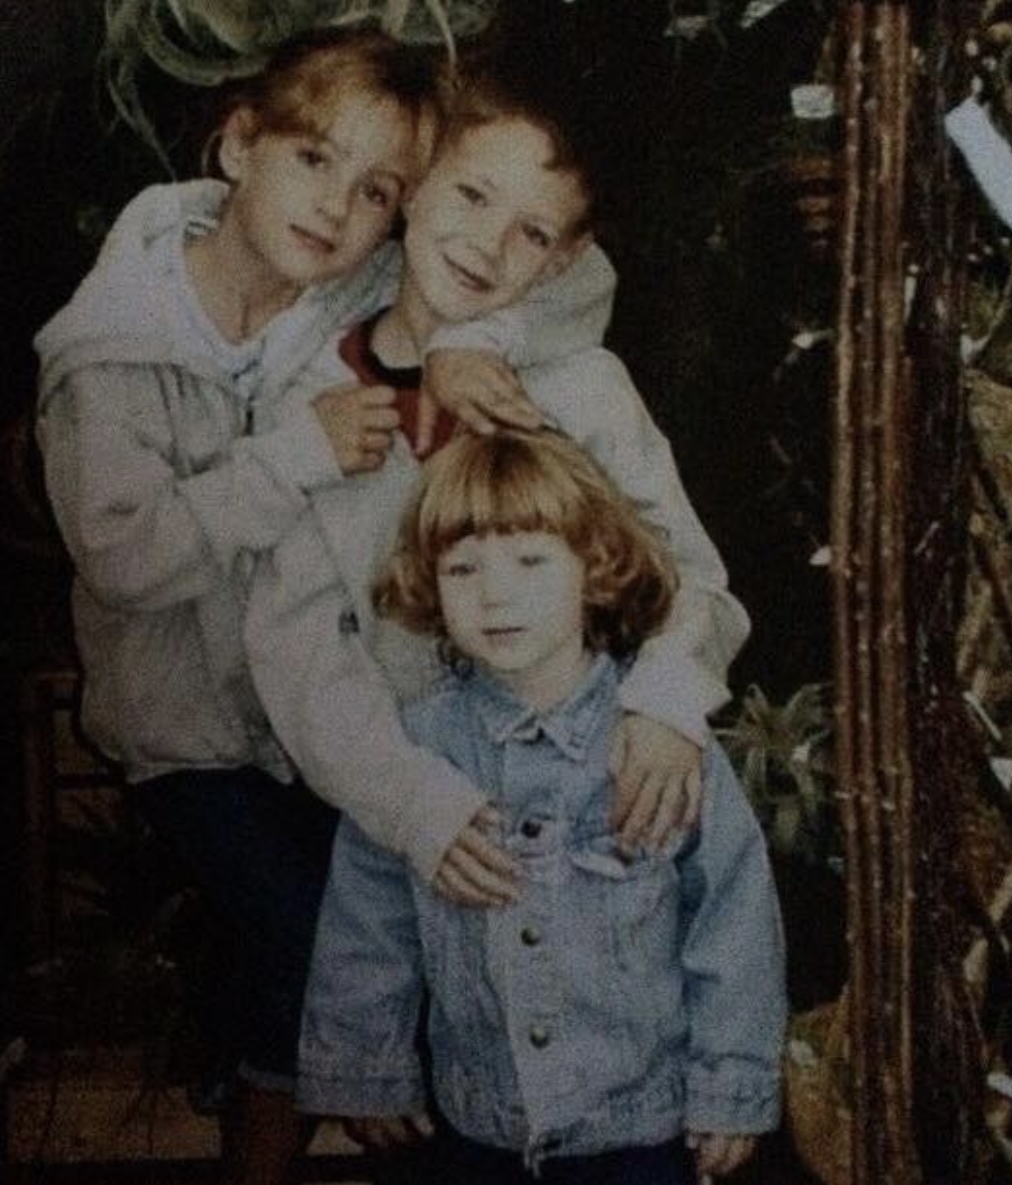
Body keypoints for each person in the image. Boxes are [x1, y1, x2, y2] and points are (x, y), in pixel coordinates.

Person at [34, 24, 614, 1185]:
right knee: (318, 945)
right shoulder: (111, 349)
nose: (337, 208)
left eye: (376, 191)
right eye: (312, 162)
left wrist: (471, 346)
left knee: (329, 951)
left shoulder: (336, 281)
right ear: (239, 141)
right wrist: (288, 459)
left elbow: (578, 272)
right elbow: (123, 559)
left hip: (312, 720)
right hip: (190, 735)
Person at [242, 51, 752, 911]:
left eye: (535, 233)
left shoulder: (585, 390)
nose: (489, 245)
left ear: (565, 259)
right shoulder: (309, 402)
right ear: (414, 183)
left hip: (584, 806)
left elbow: (691, 575)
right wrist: (415, 808)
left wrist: (666, 700)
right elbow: (300, 659)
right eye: (473, 196)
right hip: (393, 808)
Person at [297, 429, 787, 1184]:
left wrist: (730, 1085)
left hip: (639, 1130)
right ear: (429, 584)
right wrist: (366, 1064)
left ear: (594, 568)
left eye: (530, 560)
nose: (495, 593)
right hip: (477, 1125)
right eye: (462, 568)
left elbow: (732, 918)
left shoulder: (658, 747)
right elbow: (368, 917)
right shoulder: (415, 753)